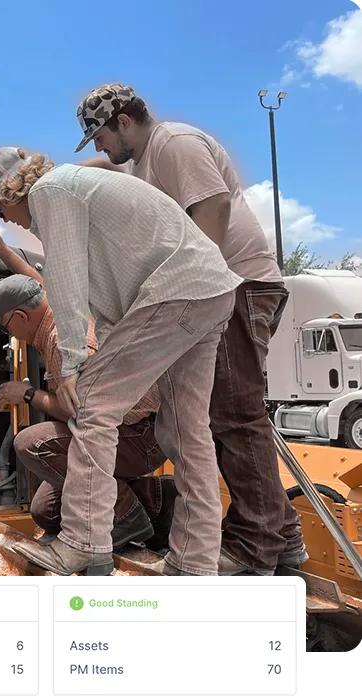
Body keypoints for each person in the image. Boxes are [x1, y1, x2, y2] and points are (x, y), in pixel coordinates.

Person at [73, 83, 306, 576]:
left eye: (100, 135)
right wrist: (56, 173)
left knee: (233, 414)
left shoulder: (174, 144)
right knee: (227, 411)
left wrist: (198, 289)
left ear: (125, 120)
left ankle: (253, 544)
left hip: (236, 284)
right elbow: (102, 170)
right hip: (229, 286)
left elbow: (214, 206)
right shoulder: (142, 160)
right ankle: (281, 536)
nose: (99, 148)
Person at [0, 146, 242, 576]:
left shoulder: (51, 191)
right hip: (207, 288)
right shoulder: (76, 187)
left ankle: (84, 542)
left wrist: (74, 366)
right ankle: (194, 564)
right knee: (187, 432)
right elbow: (98, 296)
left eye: (2, 210)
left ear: (10, 190)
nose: (8, 220)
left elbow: (63, 278)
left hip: (175, 288)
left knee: (91, 405)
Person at [0, 233, 176, 552]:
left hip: (139, 435)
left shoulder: (64, 341)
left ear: (20, 317)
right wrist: (2, 251)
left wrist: (26, 394)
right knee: (47, 511)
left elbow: (85, 412)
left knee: (31, 443)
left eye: (6, 327)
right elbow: (34, 281)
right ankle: (159, 501)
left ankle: (125, 516)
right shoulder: (56, 302)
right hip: (125, 431)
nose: (9, 334)